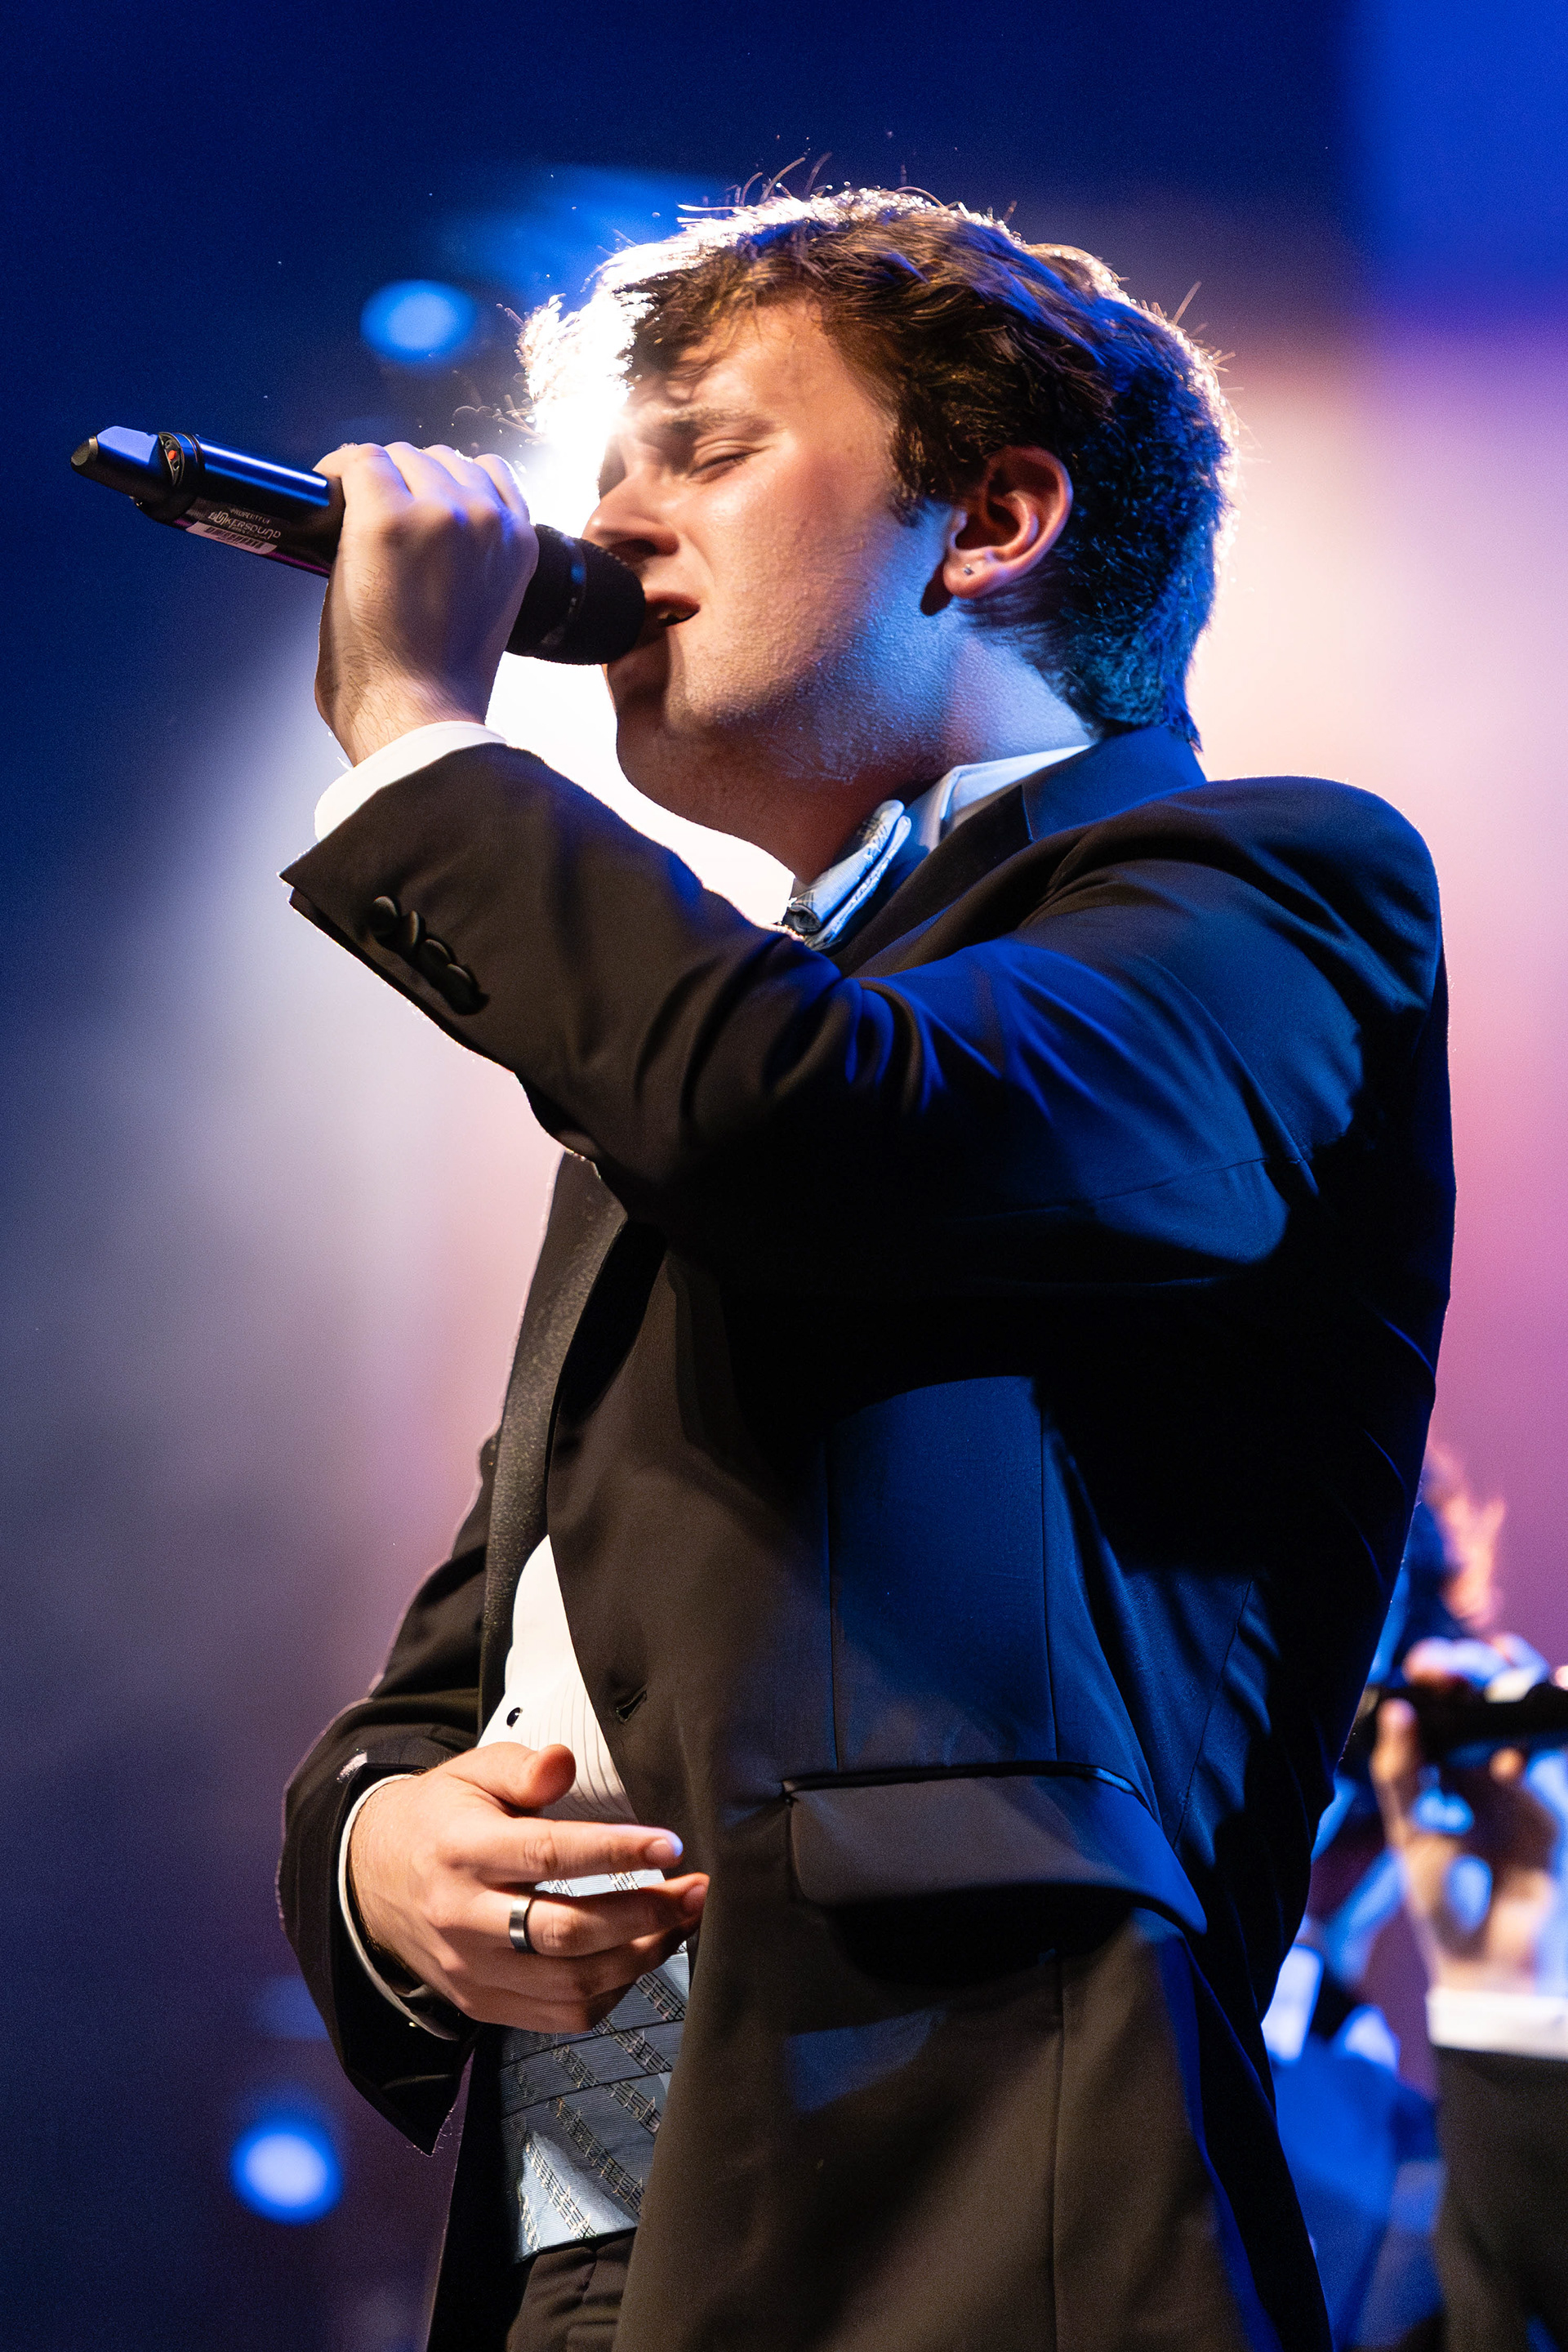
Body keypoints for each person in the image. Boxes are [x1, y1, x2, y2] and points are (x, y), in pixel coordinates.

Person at [276, 190, 1454, 2352]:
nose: (604, 526)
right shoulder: (710, 1039)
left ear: (989, 520)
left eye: (701, 450)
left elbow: (841, 1131)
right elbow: (476, 1647)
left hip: (970, 2210)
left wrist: (432, 760)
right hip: (594, 2246)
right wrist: (381, 1855)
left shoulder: (1261, 896)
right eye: (603, 468)